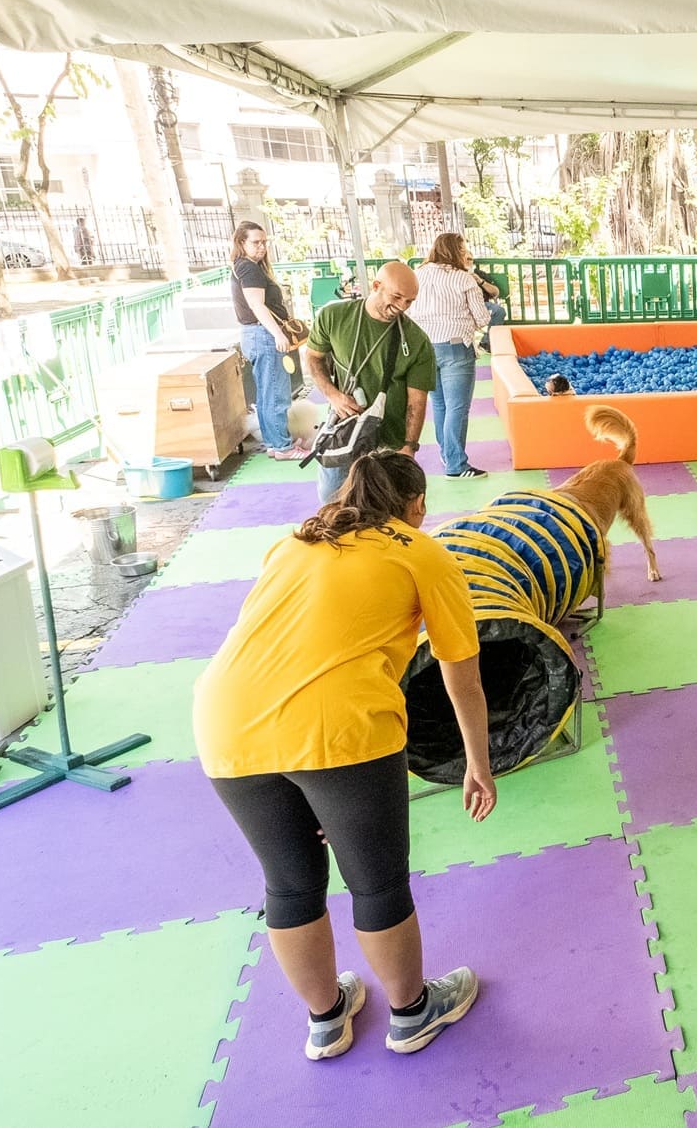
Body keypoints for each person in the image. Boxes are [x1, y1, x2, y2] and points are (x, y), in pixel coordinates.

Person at [193, 451, 497, 1061]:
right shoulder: (422, 551)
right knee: (377, 883)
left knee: (289, 884)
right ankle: (412, 1013)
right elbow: (460, 673)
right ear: (416, 507)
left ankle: (326, 1019)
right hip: (341, 728)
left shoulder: (296, 542)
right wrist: (478, 763)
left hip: (225, 722)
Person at [305, 262, 436, 504]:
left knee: (386, 513)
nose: (402, 306)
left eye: (409, 301)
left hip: (388, 444)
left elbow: (416, 401)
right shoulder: (333, 316)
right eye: (397, 297)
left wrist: (409, 448)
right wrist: (333, 395)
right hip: (344, 434)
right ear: (376, 286)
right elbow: (314, 357)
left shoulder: (417, 341)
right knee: (333, 504)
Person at [411, 233, 493, 479]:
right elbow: (482, 318)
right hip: (456, 346)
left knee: (439, 405)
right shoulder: (463, 279)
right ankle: (457, 464)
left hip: (424, 348)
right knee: (457, 407)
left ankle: (447, 454)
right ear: (456, 251)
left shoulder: (418, 274)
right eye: (463, 249)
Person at [230, 221, 305, 461]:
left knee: (265, 393)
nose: (261, 247)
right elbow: (257, 305)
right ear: (242, 243)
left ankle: (275, 442)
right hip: (263, 334)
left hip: (254, 335)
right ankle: (282, 446)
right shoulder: (249, 269)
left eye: (264, 242)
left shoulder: (243, 266)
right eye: (255, 242)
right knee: (276, 392)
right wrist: (278, 334)